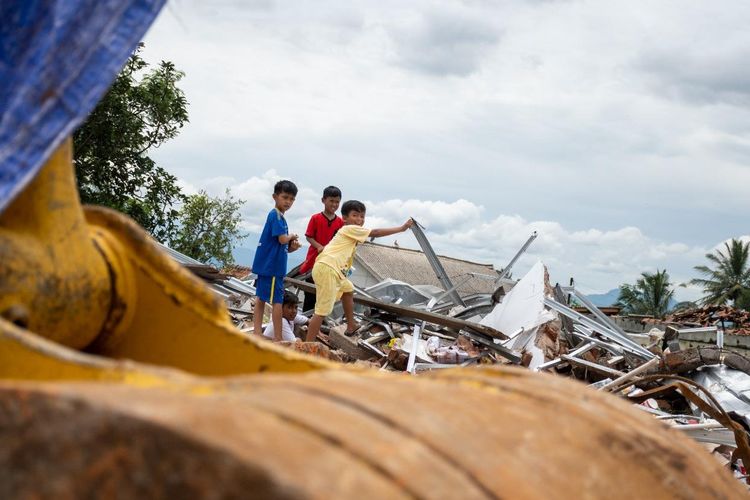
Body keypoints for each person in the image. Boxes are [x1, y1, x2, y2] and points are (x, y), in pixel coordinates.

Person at [306, 200, 413, 342]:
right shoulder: (349, 229)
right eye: (355, 215)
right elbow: (375, 232)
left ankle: (351, 325)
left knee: (348, 289)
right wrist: (401, 228)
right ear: (344, 218)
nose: (359, 220)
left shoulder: (349, 234)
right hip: (328, 269)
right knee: (321, 311)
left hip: (332, 270)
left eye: (362, 216)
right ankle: (306, 346)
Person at [252, 180, 301, 341]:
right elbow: (281, 240)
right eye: (285, 197)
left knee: (261, 298)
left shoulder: (278, 217)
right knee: (277, 301)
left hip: (267, 264)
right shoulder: (276, 216)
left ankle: (257, 332)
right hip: (273, 267)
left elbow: (282, 246)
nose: (288, 202)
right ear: (275, 197)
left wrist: (292, 246)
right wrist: (291, 237)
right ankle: (278, 338)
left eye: (291, 199)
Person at [299, 185, 344, 312]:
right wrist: (319, 246)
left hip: (330, 263)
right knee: (310, 295)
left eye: (337, 202)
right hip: (314, 260)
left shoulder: (340, 222)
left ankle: (319, 324)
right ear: (323, 200)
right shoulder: (316, 218)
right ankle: (306, 323)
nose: (334, 204)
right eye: (331, 201)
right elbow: (309, 236)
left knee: (324, 296)